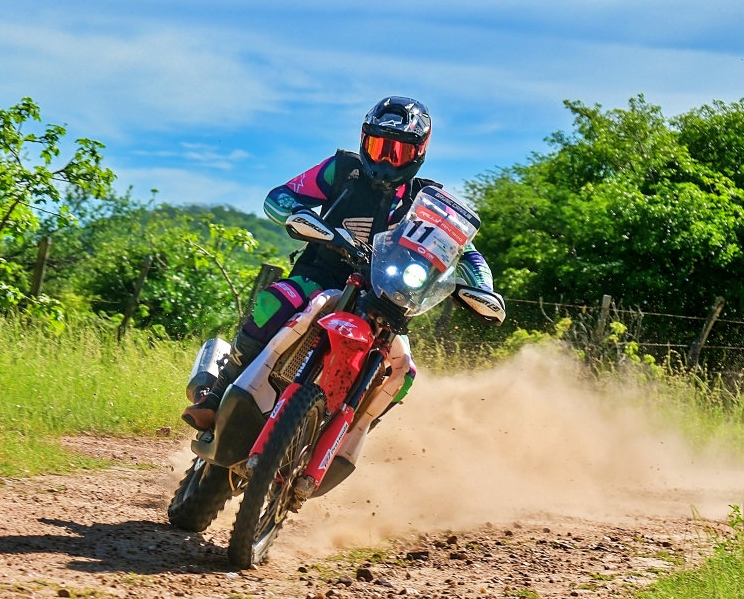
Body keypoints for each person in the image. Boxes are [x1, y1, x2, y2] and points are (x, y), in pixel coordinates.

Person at [182, 96, 503, 431]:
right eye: (379, 147)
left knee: (403, 372)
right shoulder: (341, 170)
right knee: (277, 301)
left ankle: (347, 436)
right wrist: (300, 214)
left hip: (387, 303)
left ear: (419, 152)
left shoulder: (429, 203)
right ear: (364, 141)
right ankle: (217, 395)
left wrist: (482, 287)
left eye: (398, 152)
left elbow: (466, 252)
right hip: (320, 275)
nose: (386, 160)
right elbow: (279, 196)